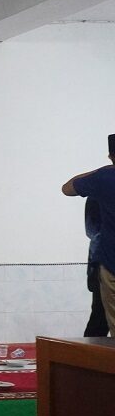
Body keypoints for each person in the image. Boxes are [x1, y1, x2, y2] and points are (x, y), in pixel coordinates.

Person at [65, 135, 115, 335]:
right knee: (99, 318)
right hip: (104, 260)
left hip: (107, 262)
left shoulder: (101, 182)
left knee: (100, 320)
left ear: (110, 156)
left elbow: (67, 188)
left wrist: (101, 170)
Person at [84, 199, 109, 336]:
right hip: (102, 267)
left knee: (99, 319)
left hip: (101, 265)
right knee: (99, 319)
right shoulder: (97, 194)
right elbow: (95, 234)